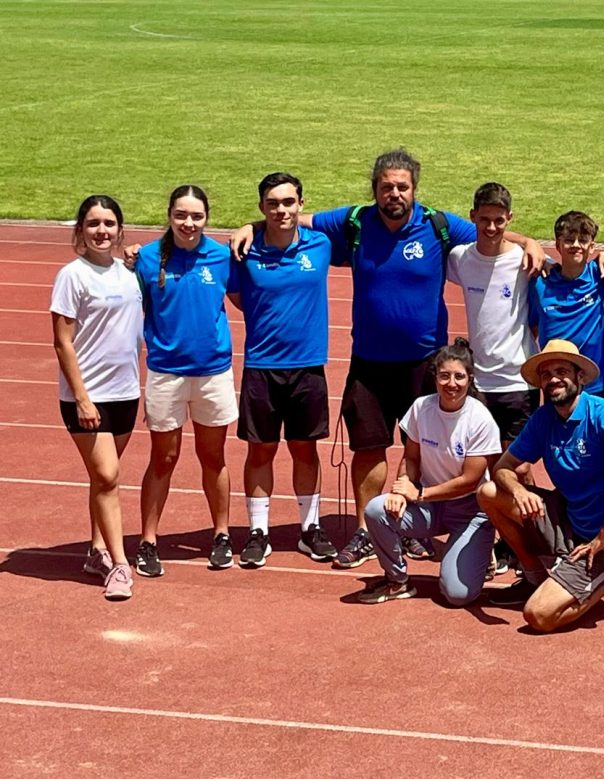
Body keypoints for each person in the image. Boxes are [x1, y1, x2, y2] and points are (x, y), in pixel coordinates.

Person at [233, 149, 546, 571]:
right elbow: (290, 219)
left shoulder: (437, 225)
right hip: (370, 362)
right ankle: (367, 531)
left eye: (402, 187)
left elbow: (489, 230)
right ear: (375, 190)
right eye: (386, 187)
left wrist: (528, 243)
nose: (394, 194)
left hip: (426, 363)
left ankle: (416, 527)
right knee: (369, 449)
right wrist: (250, 226)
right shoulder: (354, 221)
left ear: (414, 189)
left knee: (426, 449)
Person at [477, 340, 604, 632]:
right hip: (570, 519)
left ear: (580, 377)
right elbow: (502, 468)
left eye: (561, 371)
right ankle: (534, 579)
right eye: (546, 374)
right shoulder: (543, 418)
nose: (553, 379)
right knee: (489, 493)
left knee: (538, 616)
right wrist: (519, 491)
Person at [227, 172, 335, 568]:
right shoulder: (244, 251)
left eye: (288, 202)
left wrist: (251, 224)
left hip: (308, 367)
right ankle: (259, 532)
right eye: (272, 204)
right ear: (262, 207)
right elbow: (237, 296)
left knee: (305, 449)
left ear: (301, 204)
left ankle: (310, 528)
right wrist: (250, 228)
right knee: (261, 450)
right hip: (262, 366)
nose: (281, 210)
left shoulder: (321, 244)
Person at [133, 185, 236, 576]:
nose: (188, 223)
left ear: (206, 217)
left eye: (196, 216)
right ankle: (148, 540)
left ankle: (221, 534)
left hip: (213, 373)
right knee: (163, 459)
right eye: (181, 215)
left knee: (213, 457)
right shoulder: (145, 259)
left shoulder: (222, 257)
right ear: (169, 215)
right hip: (166, 374)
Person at [444, 182, 540, 575]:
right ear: (473, 217)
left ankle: (530, 539)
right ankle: (491, 540)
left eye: (499, 220)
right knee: (482, 468)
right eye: (484, 219)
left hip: (518, 382)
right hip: (479, 384)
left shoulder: (523, 260)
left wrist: (529, 242)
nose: (491, 227)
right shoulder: (460, 259)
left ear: (509, 219)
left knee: (519, 468)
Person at [49, 195, 142, 600]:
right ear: (80, 230)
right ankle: (119, 566)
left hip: (126, 391)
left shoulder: (129, 273)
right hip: (87, 396)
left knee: (103, 478)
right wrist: (82, 399)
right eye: (92, 224)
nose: (101, 231)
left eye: (108, 223)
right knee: (107, 476)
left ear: (119, 229)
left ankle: (96, 551)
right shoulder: (72, 276)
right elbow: (62, 342)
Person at [360, 340, 501, 605]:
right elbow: (411, 457)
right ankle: (397, 580)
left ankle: (478, 552)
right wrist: (401, 487)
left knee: (457, 595)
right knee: (377, 510)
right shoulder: (421, 407)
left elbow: (469, 481)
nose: (451, 384)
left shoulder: (480, 419)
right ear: (435, 377)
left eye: (459, 376)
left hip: (468, 511)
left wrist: (420, 493)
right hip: (429, 507)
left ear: (470, 379)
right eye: (444, 376)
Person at [527, 211, 604, 398]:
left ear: (592, 246)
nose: (576, 245)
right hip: (555, 383)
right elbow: (533, 327)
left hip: (595, 384)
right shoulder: (539, 282)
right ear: (557, 245)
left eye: (583, 240)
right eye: (569, 240)